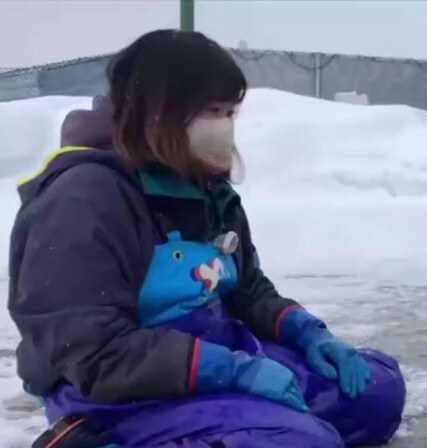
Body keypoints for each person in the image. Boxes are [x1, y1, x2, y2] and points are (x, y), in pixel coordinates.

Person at [8, 29, 406, 448]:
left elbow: (247, 290)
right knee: (303, 442)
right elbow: (91, 352)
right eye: (211, 111)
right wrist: (235, 371)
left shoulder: (207, 189)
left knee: (375, 394)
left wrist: (307, 334)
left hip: (214, 357)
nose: (224, 128)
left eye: (230, 112)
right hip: (120, 393)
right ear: (158, 114)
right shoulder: (85, 199)